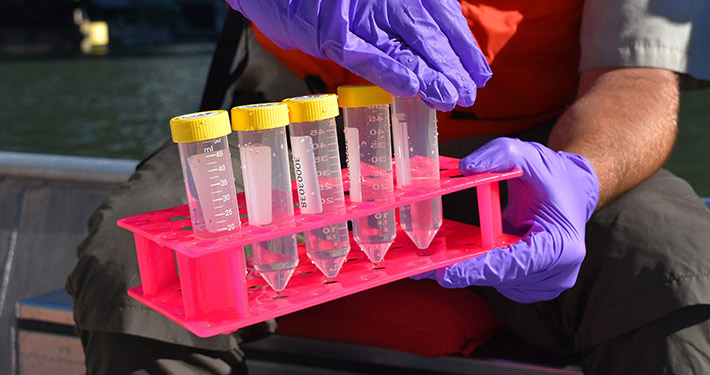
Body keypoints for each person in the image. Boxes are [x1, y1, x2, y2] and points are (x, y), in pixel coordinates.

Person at [67, 0, 710, 374]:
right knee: (144, 268)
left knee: (671, 264)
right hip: (302, 120)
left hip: (539, 141)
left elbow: (636, 78)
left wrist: (580, 176)